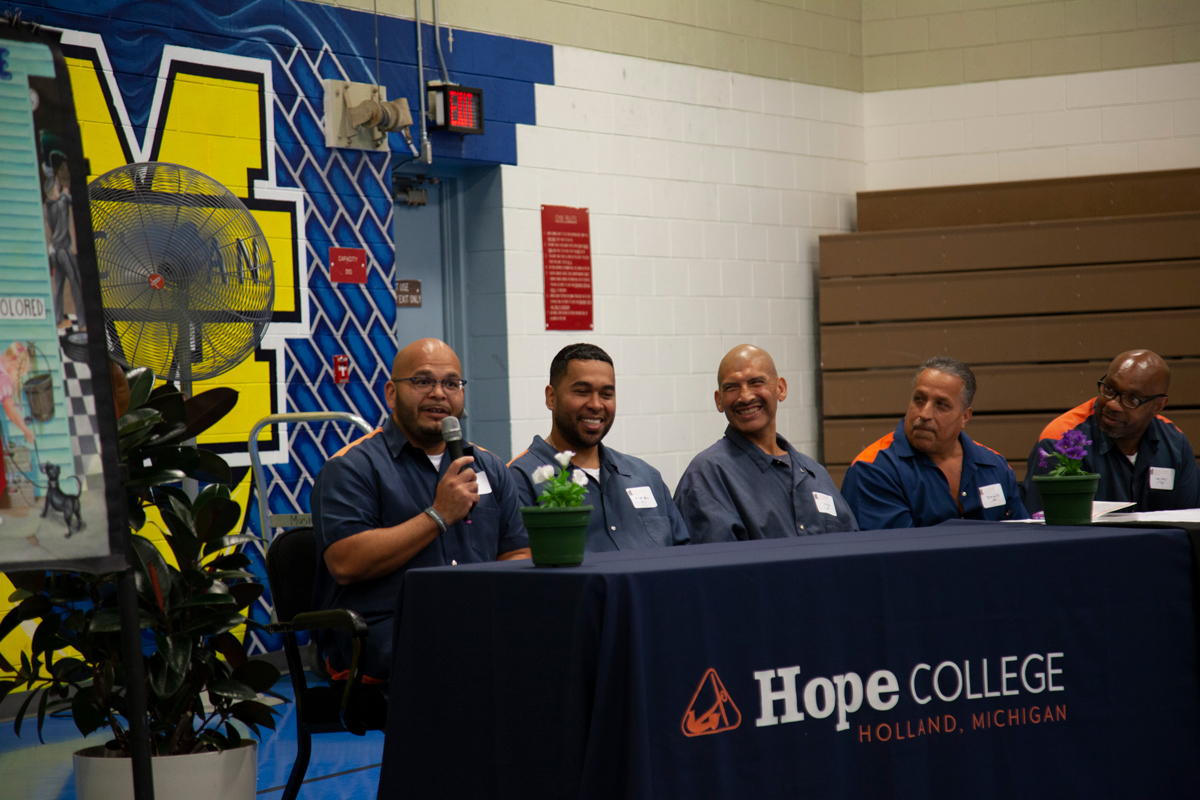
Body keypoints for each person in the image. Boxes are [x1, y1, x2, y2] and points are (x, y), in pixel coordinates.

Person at [311, 338, 530, 684]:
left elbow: (516, 552)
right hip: (382, 630)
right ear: (391, 393)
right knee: (463, 652)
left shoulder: (488, 465)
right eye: (423, 381)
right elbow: (346, 563)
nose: (439, 394)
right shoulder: (352, 467)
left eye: (451, 384)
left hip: (474, 620)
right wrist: (438, 515)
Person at [508, 343, 690, 551]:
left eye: (606, 394)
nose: (596, 404)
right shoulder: (520, 479)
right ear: (552, 397)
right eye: (582, 391)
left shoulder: (645, 476)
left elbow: (682, 554)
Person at [674, 344, 857, 542]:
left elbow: (851, 551)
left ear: (781, 388)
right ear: (719, 400)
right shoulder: (708, 475)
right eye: (732, 387)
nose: (745, 396)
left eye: (756, 382)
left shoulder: (815, 474)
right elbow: (716, 568)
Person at [841, 357, 1028, 529]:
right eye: (919, 400)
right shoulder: (874, 468)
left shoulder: (995, 466)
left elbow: (1020, 537)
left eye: (941, 405)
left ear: (965, 416)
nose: (924, 414)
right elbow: (895, 555)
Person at [1022, 350, 1199, 513]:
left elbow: (1190, 521)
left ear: (1159, 406)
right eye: (1109, 389)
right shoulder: (1062, 440)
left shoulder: (1174, 442)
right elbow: (1046, 530)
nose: (1112, 404)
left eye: (1131, 399)